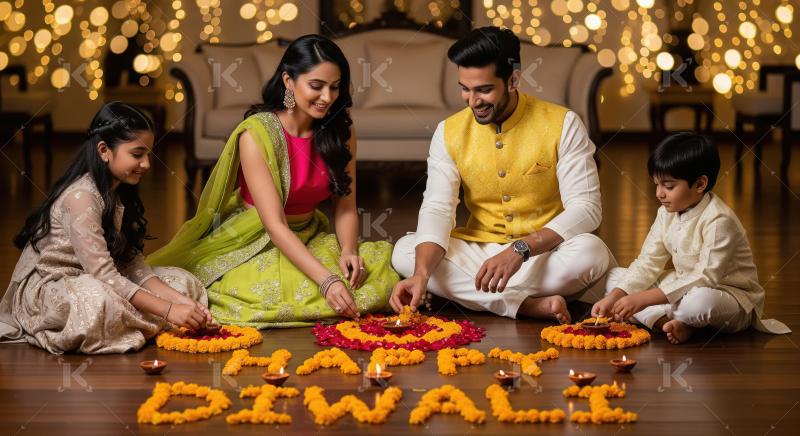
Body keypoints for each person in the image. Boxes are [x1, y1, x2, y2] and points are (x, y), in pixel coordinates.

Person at [147, 35, 398, 327]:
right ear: (289, 81)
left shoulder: (341, 131)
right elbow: (275, 225)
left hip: (309, 233)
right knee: (283, 291)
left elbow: (344, 207)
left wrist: (349, 250)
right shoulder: (256, 134)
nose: (327, 97)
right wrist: (327, 281)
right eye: (316, 86)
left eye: (335, 87)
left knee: (381, 267)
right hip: (256, 238)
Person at [390, 27, 614, 323]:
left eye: (483, 90)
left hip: (543, 254)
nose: (472, 101)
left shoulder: (564, 123)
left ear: (513, 79)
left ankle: (470, 295)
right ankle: (526, 305)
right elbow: (438, 207)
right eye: (465, 89)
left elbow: (587, 210)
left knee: (591, 252)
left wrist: (520, 249)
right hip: (480, 253)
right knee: (405, 252)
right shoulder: (448, 132)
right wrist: (421, 275)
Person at [0, 102, 209, 354]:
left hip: (103, 278)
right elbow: (103, 275)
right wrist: (167, 309)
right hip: (59, 284)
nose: (146, 164)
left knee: (183, 282)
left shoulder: (119, 190)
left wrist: (179, 301)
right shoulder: (81, 197)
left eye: (148, 155)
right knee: (98, 300)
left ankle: (143, 320)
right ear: (104, 150)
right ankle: (151, 321)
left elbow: (131, 264)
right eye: (137, 154)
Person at [592, 132, 791, 344]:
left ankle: (676, 317)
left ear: (699, 184)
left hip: (726, 295)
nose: (659, 193)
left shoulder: (719, 219)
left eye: (668, 186)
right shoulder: (665, 212)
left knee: (697, 303)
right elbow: (648, 262)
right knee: (615, 277)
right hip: (680, 286)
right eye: (656, 184)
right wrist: (615, 297)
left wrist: (643, 299)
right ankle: (669, 324)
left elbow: (705, 277)